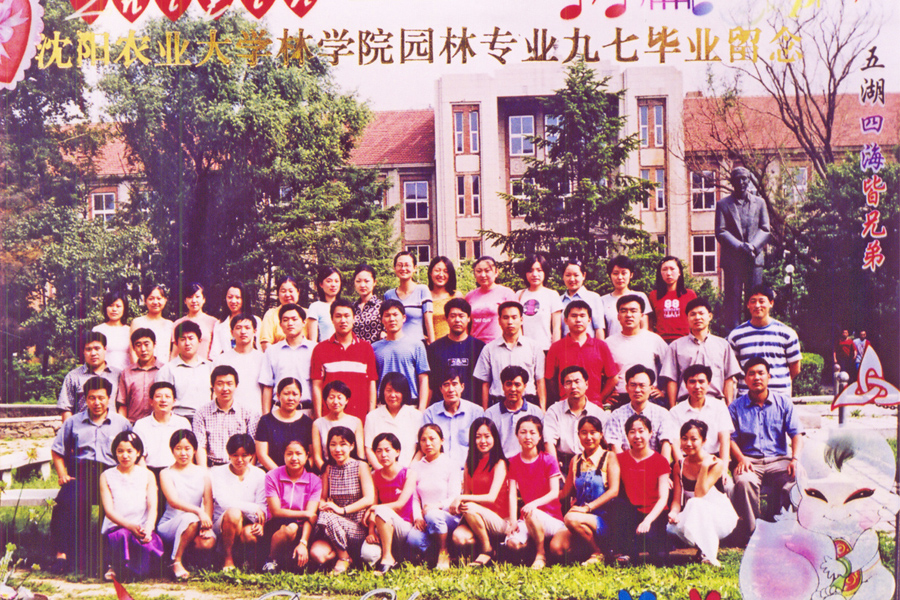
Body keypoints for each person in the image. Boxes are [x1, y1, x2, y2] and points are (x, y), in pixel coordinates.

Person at [49, 376, 132, 574]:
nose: (97, 402)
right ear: (85, 399)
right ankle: (63, 555)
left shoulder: (121, 423)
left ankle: (108, 558)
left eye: (101, 398)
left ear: (109, 398)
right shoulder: (73, 422)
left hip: (111, 475)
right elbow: (57, 450)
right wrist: (62, 474)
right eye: (92, 398)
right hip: (81, 473)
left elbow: (132, 451)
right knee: (66, 501)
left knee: (120, 505)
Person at [728, 357, 803, 545]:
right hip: (749, 460)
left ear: (769, 376)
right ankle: (753, 534)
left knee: (796, 479)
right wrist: (740, 458)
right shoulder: (735, 407)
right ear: (745, 379)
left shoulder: (783, 402)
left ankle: (783, 528)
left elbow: (796, 433)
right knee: (744, 482)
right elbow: (729, 438)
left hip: (778, 459)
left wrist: (795, 459)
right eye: (751, 374)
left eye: (761, 373)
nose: (756, 377)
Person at [549, 416, 619, 565]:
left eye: (593, 432)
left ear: (601, 434)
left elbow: (614, 491)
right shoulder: (575, 460)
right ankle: (586, 549)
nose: (588, 437)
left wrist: (587, 508)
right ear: (578, 435)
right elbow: (564, 493)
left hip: (603, 519)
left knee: (571, 518)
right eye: (584, 433)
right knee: (556, 548)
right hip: (579, 519)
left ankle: (599, 552)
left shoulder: (610, 457)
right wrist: (541, 498)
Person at [667, 420, 737, 567]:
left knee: (696, 502)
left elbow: (700, 493)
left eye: (694, 439)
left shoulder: (716, 463)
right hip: (694, 514)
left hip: (719, 517)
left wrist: (704, 466)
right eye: (684, 438)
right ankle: (701, 547)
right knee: (672, 526)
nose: (688, 443)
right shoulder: (679, 466)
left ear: (704, 441)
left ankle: (708, 555)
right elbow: (677, 499)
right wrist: (673, 513)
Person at [98, 431, 164, 581]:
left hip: (141, 527)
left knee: (147, 544)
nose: (125, 455)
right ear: (115, 452)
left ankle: (136, 571)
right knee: (122, 535)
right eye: (120, 451)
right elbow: (109, 511)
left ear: (138, 452)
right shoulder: (106, 475)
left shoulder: (147, 475)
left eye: (129, 451)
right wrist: (129, 526)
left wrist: (149, 528)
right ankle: (114, 567)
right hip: (117, 527)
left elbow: (152, 506)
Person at [310, 426, 375, 574]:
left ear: (352, 446)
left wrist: (341, 510)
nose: (337, 449)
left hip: (356, 527)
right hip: (332, 527)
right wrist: (324, 505)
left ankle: (344, 558)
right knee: (317, 554)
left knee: (326, 516)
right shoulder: (328, 468)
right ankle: (345, 554)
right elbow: (322, 498)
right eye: (333, 444)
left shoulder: (361, 466)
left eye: (343, 444)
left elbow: (369, 498)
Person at [360, 433, 428, 572]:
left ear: (397, 452)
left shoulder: (409, 474)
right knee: (368, 555)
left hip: (403, 526)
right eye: (379, 451)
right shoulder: (374, 475)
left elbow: (400, 504)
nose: (383, 455)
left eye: (387, 450)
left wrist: (374, 508)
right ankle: (391, 554)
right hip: (382, 526)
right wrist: (371, 531)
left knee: (381, 510)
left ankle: (387, 558)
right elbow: (374, 504)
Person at [715, 167, 772, 330]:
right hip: (733, 259)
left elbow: (765, 229)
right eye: (737, 179)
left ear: (749, 180)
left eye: (744, 179)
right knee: (732, 300)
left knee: (754, 299)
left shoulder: (760, 203)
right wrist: (740, 247)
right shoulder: (723, 204)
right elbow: (720, 231)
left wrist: (752, 246)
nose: (741, 182)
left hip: (754, 258)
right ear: (732, 182)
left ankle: (753, 331)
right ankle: (732, 335)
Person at [449, 418, 511, 567]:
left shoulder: (500, 463)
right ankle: (487, 547)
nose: (483, 441)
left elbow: (491, 497)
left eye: (487, 436)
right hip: (475, 519)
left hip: (499, 520)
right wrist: (459, 504)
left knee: (469, 506)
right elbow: (468, 494)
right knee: (459, 538)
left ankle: (487, 550)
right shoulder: (469, 463)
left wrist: (460, 497)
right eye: (478, 437)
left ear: (494, 438)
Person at [505, 415, 564, 570]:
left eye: (532, 433)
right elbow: (512, 494)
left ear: (539, 437)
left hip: (551, 519)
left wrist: (533, 504)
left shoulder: (548, 460)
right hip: (527, 517)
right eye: (523, 432)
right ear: (517, 435)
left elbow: (554, 492)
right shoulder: (513, 462)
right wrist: (513, 521)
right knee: (513, 544)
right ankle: (532, 544)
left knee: (531, 513)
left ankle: (541, 554)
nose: (527, 437)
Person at [660, 297, 742, 407]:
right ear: (687, 318)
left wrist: (728, 406)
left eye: (701, 313)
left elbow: (728, 378)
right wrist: (673, 408)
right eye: (693, 314)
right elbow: (672, 379)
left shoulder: (723, 345)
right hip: (685, 404)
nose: (697, 317)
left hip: (716, 404)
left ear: (710, 316)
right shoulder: (676, 346)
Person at [609, 415, 670, 564]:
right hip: (631, 512)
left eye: (641, 431)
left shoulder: (660, 461)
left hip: (654, 513)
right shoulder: (619, 459)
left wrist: (648, 521)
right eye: (632, 432)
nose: (637, 436)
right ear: (626, 435)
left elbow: (663, 498)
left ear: (650, 433)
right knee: (618, 506)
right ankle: (627, 552)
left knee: (659, 556)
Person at [157, 430, 216, 580]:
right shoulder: (166, 473)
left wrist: (207, 525)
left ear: (195, 450)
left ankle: (188, 558)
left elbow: (208, 501)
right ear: (172, 450)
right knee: (190, 518)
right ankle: (175, 561)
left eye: (187, 448)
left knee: (207, 542)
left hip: (195, 522)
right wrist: (199, 512)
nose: (183, 453)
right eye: (178, 448)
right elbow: (173, 501)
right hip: (171, 524)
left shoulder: (203, 472)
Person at [727, 285, 801, 397]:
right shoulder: (736, 335)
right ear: (748, 305)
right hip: (747, 398)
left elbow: (795, 368)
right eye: (753, 301)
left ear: (771, 303)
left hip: (779, 398)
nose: (757, 305)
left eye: (761, 301)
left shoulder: (787, 333)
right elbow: (732, 368)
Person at [310, 298, 378, 421]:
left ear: (354, 318)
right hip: (329, 419)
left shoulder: (366, 348)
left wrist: (371, 418)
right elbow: (317, 386)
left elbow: (371, 384)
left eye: (347, 316)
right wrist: (319, 419)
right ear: (332, 319)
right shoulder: (320, 349)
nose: (343, 320)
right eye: (338, 316)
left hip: (359, 419)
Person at [262, 439, 321, 574]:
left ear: (307, 455)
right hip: (275, 525)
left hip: (302, 528)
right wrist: (305, 514)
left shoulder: (315, 481)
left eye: (298, 454)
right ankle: (270, 560)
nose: (294, 458)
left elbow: (311, 517)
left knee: (295, 529)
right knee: (291, 528)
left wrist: (303, 542)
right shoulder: (272, 476)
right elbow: (276, 511)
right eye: (289, 454)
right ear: (283, 455)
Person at [473, 301, 546, 410]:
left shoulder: (534, 347)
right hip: (498, 405)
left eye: (514, 317)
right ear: (499, 321)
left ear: (521, 320)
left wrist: (542, 409)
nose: (510, 322)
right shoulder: (489, 349)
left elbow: (540, 380)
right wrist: (485, 411)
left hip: (528, 404)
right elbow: (485, 384)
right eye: (505, 318)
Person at [210, 433, 267, 570]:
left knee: (250, 535)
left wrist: (260, 524)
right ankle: (227, 558)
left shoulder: (260, 474)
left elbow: (262, 506)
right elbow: (224, 502)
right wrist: (253, 508)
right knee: (234, 513)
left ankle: (242, 561)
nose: (239, 460)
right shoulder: (217, 472)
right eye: (235, 455)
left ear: (251, 455)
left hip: (248, 521)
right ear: (229, 454)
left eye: (244, 455)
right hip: (223, 522)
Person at [545, 301, 619, 407]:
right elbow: (550, 378)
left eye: (582, 316)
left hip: (594, 405)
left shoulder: (600, 346)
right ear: (566, 320)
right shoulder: (556, 347)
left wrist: (600, 398)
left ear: (589, 320)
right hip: (565, 405)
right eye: (574, 316)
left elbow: (613, 377)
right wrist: (560, 399)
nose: (578, 320)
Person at [411, 424, 463, 570]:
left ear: (442, 440)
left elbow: (454, 496)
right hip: (426, 519)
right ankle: (438, 550)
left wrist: (436, 506)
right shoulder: (415, 467)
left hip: (448, 517)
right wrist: (418, 517)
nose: (428, 443)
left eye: (432, 439)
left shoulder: (451, 465)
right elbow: (414, 498)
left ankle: (443, 551)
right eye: (423, 440)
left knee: (433, 515)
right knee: (413, 541)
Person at [604, 365, 676, 463]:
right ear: (627, 388)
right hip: (625, 467)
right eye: (633, 385)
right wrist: (632, 469)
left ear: (651, 388)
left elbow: (666, 445)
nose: (637, 390)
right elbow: (615, 447)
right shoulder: (616, 416)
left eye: (642, 385)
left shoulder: (663, 414)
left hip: (656, 467)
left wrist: (662, 469)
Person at [604, 296, 669, 406]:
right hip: (620, 398)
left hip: (649, 397)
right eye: (624, 311)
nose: (628, 315)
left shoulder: (654, 339)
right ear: (618, 316)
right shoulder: (608, 343)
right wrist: (606, 396)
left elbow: (669, 368)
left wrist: (664, 391)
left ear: (642, 315)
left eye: (633, 311)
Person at [192, 365, 260, 467]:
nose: (225, 388)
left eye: (229, 384)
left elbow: (253, 446)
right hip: (212, 468)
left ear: (236, 385)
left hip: (240, 467)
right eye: (220, 384)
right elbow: (200, 446)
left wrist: (247, 471)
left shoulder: (249, 412)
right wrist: (204, 472)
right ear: (212, 386)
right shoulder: (201, 413)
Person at [543, 366, 608, 473]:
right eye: (568, 383)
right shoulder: (554, 411)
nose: (573, 386)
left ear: (586, 384)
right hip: (563, 465)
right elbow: (549, 442)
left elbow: (605, 444)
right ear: (564, 386)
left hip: (591, 464)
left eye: (577, 382)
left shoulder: (598, 413)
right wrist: (555, 471)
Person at [372, 300, 430, 409]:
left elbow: (423, 379)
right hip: (382, 406)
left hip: (410, 405)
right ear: (382, 320)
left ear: (403, 318)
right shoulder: (374, 348)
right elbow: (372, 382)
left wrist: (421, 409)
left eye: (395, 314)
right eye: (387, 315)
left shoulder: (417, 345)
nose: (392, 319)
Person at [668, 365, 733, 463]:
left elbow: (725, 440)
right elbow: (675, 444)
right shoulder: (675, 412)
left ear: (708, 383)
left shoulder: (719, 407)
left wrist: (723, 468)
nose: (697, 386)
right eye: (692, 382)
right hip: (686, 460)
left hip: (713, 459)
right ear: (686, 385)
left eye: (701, 382)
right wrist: (682, 467)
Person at [258, 303, 315, 415]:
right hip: (279, 412)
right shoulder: (272, 351)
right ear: (280, 324)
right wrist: (266, 417)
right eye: (285, 320)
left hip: (307, 412)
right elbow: (267, 386)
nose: (290, 323)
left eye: (294, 319)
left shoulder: (314, 349)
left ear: (304, 323)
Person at [426, 298, 485, 405]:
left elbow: (484, 384)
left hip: (473, 408)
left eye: (461, 316)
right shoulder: (434, 348)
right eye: (453, 316)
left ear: (469, 318)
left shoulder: (480, 347)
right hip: (442, 407)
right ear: (446, 319)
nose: (457, 320)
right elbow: (430, 384)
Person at [422, 369, 485, 470]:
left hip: (468, 471)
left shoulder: (476, 412)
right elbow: (424, 447)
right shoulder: (430, 413)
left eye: (455, 384)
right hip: (438, 471)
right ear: (441, 389)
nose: (451, 389)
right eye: (446, 385)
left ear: (462, 387)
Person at [364, 373, 424, 467]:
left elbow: (421, 449)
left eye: (397, 391)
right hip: (380, 471)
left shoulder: (416, 416)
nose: (392, 395)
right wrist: (381, 471)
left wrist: (408, 471)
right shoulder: (372, 417)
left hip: (409, 471)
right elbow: (368, 449)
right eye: (389, 390)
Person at [155, 320, 212, 420]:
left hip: (207, 418)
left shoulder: (210, 367)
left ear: (199, 340)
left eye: (191, 338)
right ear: (176, 343)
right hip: (179, 419)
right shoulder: (167, 370)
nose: (187, 343)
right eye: (183, 339)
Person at [58, 331, 120, 421]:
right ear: (83, 351)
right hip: (82, 427)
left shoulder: (118, 375)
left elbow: (123, 406)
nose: (93, 353)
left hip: (112, 426)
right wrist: (70, 428)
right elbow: (66, 408)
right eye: (88, 349)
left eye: (97, 348)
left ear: (105, 349)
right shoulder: (73, 377)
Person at [255, 377, 314, 471]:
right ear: (278, 396)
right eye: (286, 394)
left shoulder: (307, 423)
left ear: (300, 396)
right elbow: (262, 454)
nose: (290, 398)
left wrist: (298, 473)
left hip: (300, 474)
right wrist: (280, 474)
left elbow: (313, 455)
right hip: (273, 473)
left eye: (295, 394)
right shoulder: (265, 421)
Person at [484, 366, 543, 458]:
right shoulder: (490, 414)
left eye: (517, 385)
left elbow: (542, 444)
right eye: (508, 384)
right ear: (502, 386)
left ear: (524, 386)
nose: (513, 389)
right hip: (501, 462)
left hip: (528, 461)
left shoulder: (535, 412)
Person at [133, 382, 192, 472]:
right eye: (158, 396)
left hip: (177, 471)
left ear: (174, 401)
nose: (163, 400)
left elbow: (189, 453)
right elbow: (139, 456)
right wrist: (148, 477)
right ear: (151, 401)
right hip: (149, 471)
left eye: (167, 397)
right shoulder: (141, 425)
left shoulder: (183, 423)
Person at [212, 314, 265, 412]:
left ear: (255, 331)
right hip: (228, 414)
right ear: (232, 332)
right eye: (238, 328)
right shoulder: (221, 360)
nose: (243, 331)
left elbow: (266, 390)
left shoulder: (263, 359)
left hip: (256, 413)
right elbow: (215, 391)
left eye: (247, 328)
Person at [311, 380, 365, 472]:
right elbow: (317, 457)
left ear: (347, 400)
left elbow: (360, 455)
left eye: (339, 397)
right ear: (326, 400)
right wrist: (328, 473)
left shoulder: (356, 422)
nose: (335, 401)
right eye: (331, 397)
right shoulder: (318, 423)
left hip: (352, 471)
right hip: (328, 470)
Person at [515, 254, 562, 353]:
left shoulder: (552, 295)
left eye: (539, 270)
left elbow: (556, 328)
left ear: (545, 272)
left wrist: (555, 352)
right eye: (530, 270)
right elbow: (517, 326)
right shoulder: (519, 295)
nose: (535, 274)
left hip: (546, 349)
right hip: (524, 350)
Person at [385, 250, 435, 343]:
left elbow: (428, 322)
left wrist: (433, 346)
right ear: (395, 268)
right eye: (400, 265)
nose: (403, 268)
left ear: (414, 268)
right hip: (395, 344)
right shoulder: (389, 295)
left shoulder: (422, 290)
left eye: (407, 265)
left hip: (418, 344)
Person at [117, 328, 164, 423]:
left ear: (154, 344)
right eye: (138, 345)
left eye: (146, 344)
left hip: (158, 424)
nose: (143, 349)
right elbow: (123, 404)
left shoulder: (164, 370)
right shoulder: (126, 373)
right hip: (133, 424)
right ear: (133, 348)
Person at [465, 256, 515, 343]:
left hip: (499, 345)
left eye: (487, 271)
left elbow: (516, 323)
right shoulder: (469, 296)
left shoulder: (507, 294)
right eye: (479, 271)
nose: (483, 275)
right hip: (475, 345)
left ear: (496, 272)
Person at [647, 256, 698, 343]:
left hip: (685, 341)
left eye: (672, 269)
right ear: (660, 273)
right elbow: (649, 324)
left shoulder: (690, 294)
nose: (668, 273)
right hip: (661, 342)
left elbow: (696, 319)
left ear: (679, 272)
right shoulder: (653, 295)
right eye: (664, 269)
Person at [599, 256, 651, 338]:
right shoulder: (602, 300)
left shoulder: (640, 296)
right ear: (610, 275)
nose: (620, 277)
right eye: (615, 273)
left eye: (624, 273)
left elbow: (644, 327)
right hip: (612, 344)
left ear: (631, 274)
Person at [209, 283, 261, 357]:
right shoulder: (220, 324)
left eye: (238, 297)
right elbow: (215, 353)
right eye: (230, 297)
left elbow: (260, 348)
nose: (233, 301)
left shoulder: (256, 321)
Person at [171, 283, 218, 361]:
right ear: (185, 301)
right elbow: (174, 354)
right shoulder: (177, 324)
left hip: (206, 366)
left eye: (197, 297)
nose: (194, 300)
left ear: (204, 299)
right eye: (190, 297)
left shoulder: (214, 323)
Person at [130, 283, 174, 364]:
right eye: (151, 298)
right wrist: (138, 369)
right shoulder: (137, 322)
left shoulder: (170, 325)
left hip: (164, 369)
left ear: (165, 300)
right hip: (142, 369)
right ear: (145, 300)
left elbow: (173, 353)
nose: (155, 302)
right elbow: (132, 351)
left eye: (159, 298)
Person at [259, 275, 302, 352]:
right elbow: (265, 343)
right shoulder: (271, 315)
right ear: (278, 293)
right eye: (283, 291)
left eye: (291, 291)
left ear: (298, 292)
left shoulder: (307, 313)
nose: (287, 295)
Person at [93, 290, 132, 372]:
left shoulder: (130, 331)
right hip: (104, 376)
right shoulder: (97, 330)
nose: (114, 309)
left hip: (126, 376)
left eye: (118, 306)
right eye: (110, 305)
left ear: (124, 308)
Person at [428, 256, 463, 339]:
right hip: (430, 344)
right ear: (430, 273)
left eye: (445, 271)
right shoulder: (425, 296)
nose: (441, 274)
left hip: (453, 343)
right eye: (437, 270)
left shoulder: (456, 296)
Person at [307, 266, 342, 343]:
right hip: (325, 349)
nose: (333, 284)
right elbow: (312, 341)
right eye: (329, 281)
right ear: (321, 284)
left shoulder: (344, 306)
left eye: (336, 281)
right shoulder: (315, 307)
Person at [351, 264, 384, 344]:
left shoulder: (381, 306)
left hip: (375, 350)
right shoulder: (351, 308)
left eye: (367, 281)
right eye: (358, 281)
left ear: (374, 282)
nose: (362, 285)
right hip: (355, 350)